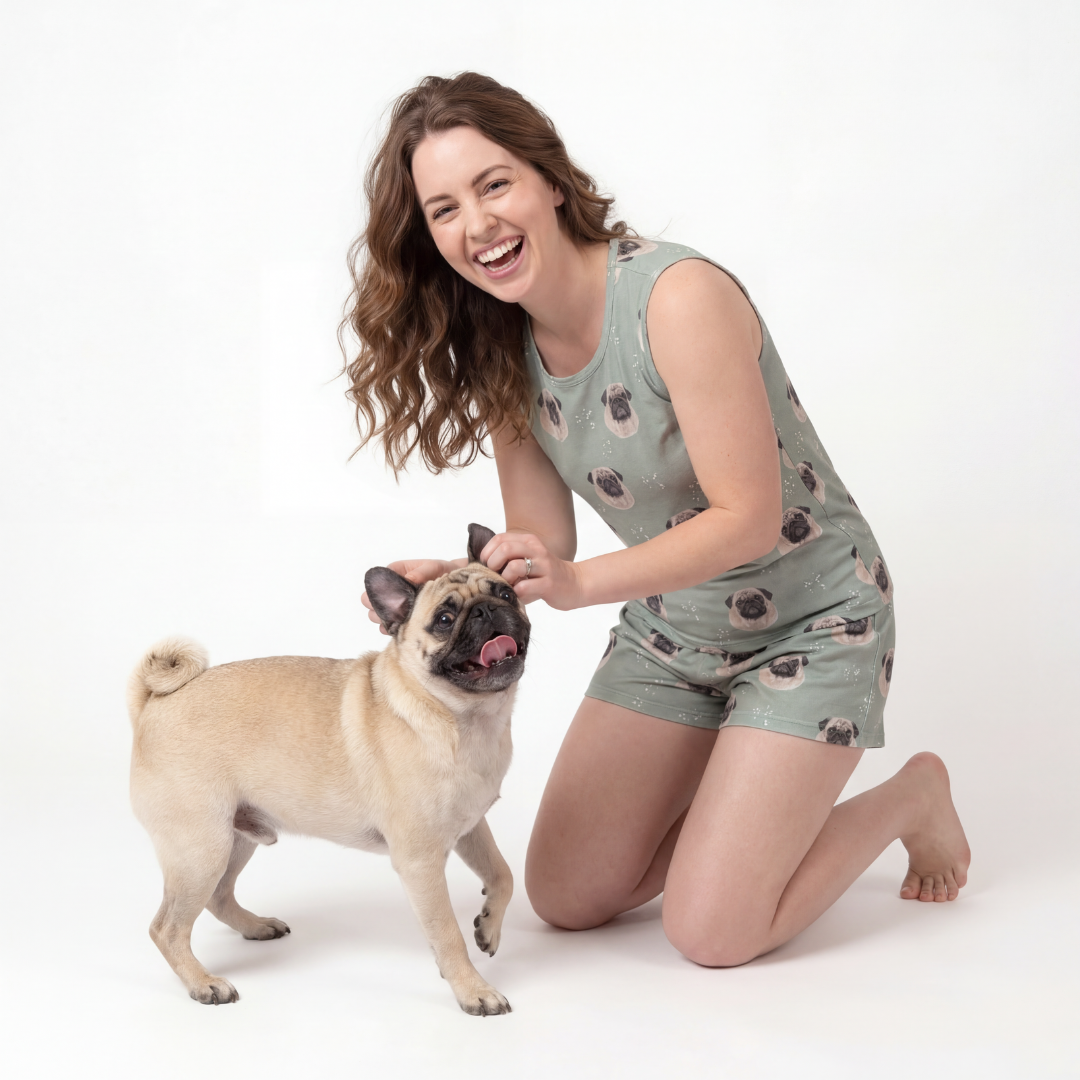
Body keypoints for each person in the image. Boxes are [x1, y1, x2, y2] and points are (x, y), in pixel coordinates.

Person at [345, 72, 969, 966]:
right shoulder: (501, 347)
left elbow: (749, 520)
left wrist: (579, 586)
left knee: (714, 933)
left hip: (816, 620)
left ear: (549, 179)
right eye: (443, 209)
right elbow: (545, 545)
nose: (475, 226)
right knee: (564, 895)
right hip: (677, 627)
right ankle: (741, 804)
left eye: (493, 185)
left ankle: (910, 797)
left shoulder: (677, 298)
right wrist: (451, 583)